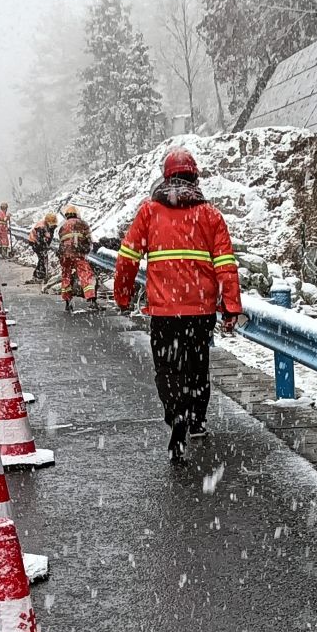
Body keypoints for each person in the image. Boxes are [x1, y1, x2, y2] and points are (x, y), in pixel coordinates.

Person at [111, 148, 242, 461]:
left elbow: (127, 259)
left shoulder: (150, 212)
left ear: (166, 176)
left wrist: (123, 296)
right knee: (198, 366)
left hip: (164, 310)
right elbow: (226, 264)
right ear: (195, 177)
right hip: (200, 310)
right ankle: (196, 419)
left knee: (167, 367)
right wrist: (231, 307)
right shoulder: (210, 215)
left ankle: (175, 412)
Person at [57, 204, 98, 313]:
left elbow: (60, 240)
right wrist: (86, 249)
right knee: (85, 274)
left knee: (66, 275)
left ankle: (67, 301)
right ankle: (91, 300)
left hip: (64, 255)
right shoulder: (82, 224)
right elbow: (88, 239)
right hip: (78, 253)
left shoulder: (63, 226)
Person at [29, 212, 57, 283]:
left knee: (42, 258)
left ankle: (38, 274)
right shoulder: (41, 227)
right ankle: (39, 275)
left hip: (40, 242)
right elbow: (40, 240)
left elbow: (49, 238)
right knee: (42, 258)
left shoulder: (49, 226)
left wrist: (47, 245)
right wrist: (43, 247)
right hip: (34, 242)